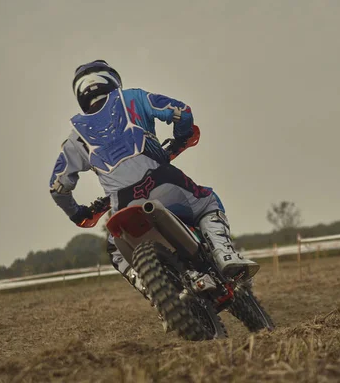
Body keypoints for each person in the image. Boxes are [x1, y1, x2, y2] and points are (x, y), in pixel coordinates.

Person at [49, 59, 259, 300]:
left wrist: (78, 213)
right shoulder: (133, 98)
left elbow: (57, 188)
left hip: (123, 204)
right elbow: (181, 111)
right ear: (111, 79)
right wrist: (182, 137)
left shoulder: (75, 139)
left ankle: (154, 295)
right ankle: (225, 255)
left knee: (114, 249)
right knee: (207, 201)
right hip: (164, 183)